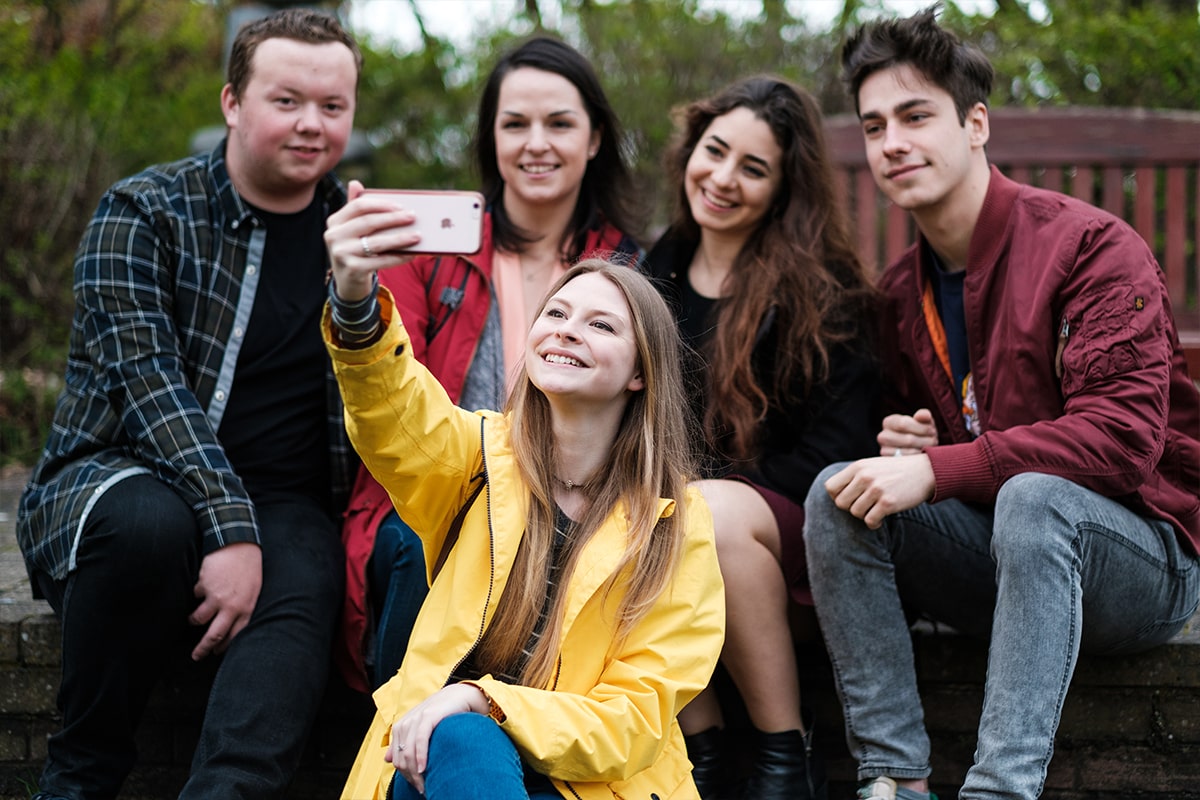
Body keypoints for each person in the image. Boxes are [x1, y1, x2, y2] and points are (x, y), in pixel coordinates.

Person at [802, 7, 1200, 800]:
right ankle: (894, 780)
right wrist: (913, 444)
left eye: (916, 116)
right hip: (1005, 561)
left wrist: (946, 467)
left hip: (1145, 559)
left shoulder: (1090, 246)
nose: (893, 143)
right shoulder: (897, 296)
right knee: (835, 496)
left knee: (1034, 499)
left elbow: (1124, 440)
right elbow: (944, 443)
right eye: (875, 126)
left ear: (975, 122)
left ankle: (999, 790)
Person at [15, 9, 362, 800]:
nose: (312, 125)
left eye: (333, 107)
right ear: (232, 103)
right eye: (286, 101)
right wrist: (231, 530)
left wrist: (359, 290)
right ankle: (79, 776)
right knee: (151, 525)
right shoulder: (141, 212)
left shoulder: (355, 234)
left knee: (308, 565)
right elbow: (148, 385)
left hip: (286, 504)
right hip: (120, 476)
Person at [321, 254, 725, 800]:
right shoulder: (475, 459)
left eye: (600, 324)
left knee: (466, 726)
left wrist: (483, 700)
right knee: (463, 739)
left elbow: (636, 718)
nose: (567, 330)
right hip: (439, 769)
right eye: (555, 313)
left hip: (589, 786)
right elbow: (393, 413)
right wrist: (355, 305)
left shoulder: (676, 522)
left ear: (639, 373)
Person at [334, 35, 640, 694]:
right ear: (490, 139)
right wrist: (354, 292)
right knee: (422, 543)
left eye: (559, 123)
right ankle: (404, 752)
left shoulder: (630, 270)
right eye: (514, 124)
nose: (536, 142)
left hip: (580, 499)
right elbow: (387, 396)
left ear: (593, 140)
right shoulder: (426, 255)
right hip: (441, 495)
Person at [642, 75, 880, 800]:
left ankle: (785, 751)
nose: (721, 178)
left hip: (791, 538)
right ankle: (701, 743)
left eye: (753, 168)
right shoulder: (660, 269)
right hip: (670, 535)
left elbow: (835, 454)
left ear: (784, 187)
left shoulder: (825, 292)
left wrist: (706, 489)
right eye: (714, 151)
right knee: (630, 505)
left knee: (701, 511)